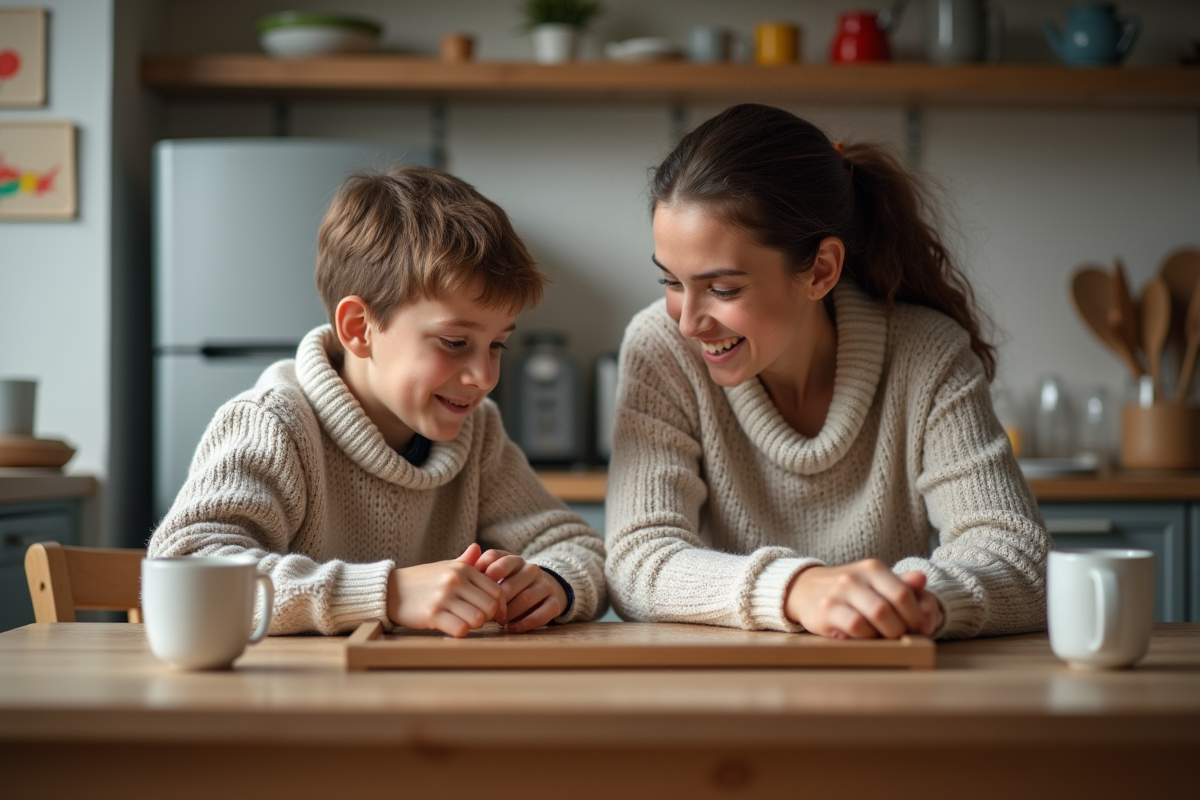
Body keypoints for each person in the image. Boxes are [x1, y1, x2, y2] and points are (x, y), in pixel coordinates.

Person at [605, 104, 1048, 640]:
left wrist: (914, 602)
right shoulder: (659, 349)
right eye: (671, 282)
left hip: (884, 691)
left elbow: (1021, 559)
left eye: (722, 289)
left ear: (820, 270)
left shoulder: (927, 354)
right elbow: (637, 563)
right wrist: (798, 589)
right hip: (729, 695)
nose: (688, 323)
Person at [149, 165, 607, 638]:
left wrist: (550, 583)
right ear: (357, 329)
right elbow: (187, 566)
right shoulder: (274, 424)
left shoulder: (479, 433)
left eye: (497, 345)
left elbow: (579, 548)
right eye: (454, 342)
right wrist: (387, 593)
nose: (484, 377)